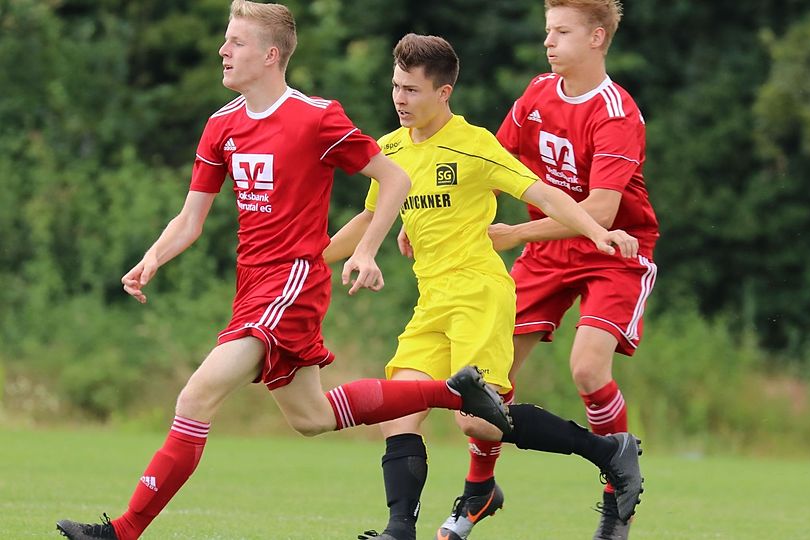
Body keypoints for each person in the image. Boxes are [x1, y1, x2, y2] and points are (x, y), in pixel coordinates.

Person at [54, 3, 513, 540]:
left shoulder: (316, 117)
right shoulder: (221, 125)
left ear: (271, 55)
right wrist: (153, 257)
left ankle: (123, 531)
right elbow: (190, 219)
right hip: (252, 286)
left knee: (196, 397)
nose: (223, 51)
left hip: (292, 282)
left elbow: (394, 179)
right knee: (311, 417)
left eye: (236, 42)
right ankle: (456, 393)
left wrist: (366, 250)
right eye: (226, 40)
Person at [323, 34, 643, 540]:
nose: (400, 99)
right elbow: (368, 217)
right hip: (431, 302)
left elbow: (544, 194)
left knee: (477, 422)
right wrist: (306, 263)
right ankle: (398, 530)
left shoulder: (473, 145)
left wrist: (597, 232)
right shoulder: (389, 149)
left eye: (412, 90)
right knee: (398, 412)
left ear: (443, 93)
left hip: (478, 296)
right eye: (396, 87)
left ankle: (606, 450)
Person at [444, 1, 660, 539]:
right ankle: (480, 490)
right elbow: (490, 164)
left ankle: (617, 504)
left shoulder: (617, 113)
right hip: (547, 254)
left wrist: (516, 233)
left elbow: (601, 213)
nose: (548, 41)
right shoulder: (538, 93)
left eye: (561, 32)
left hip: (612, 252)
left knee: (587, 368)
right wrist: (434, 216)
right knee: (483, 385)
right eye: (547, 31)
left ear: (596, 38)